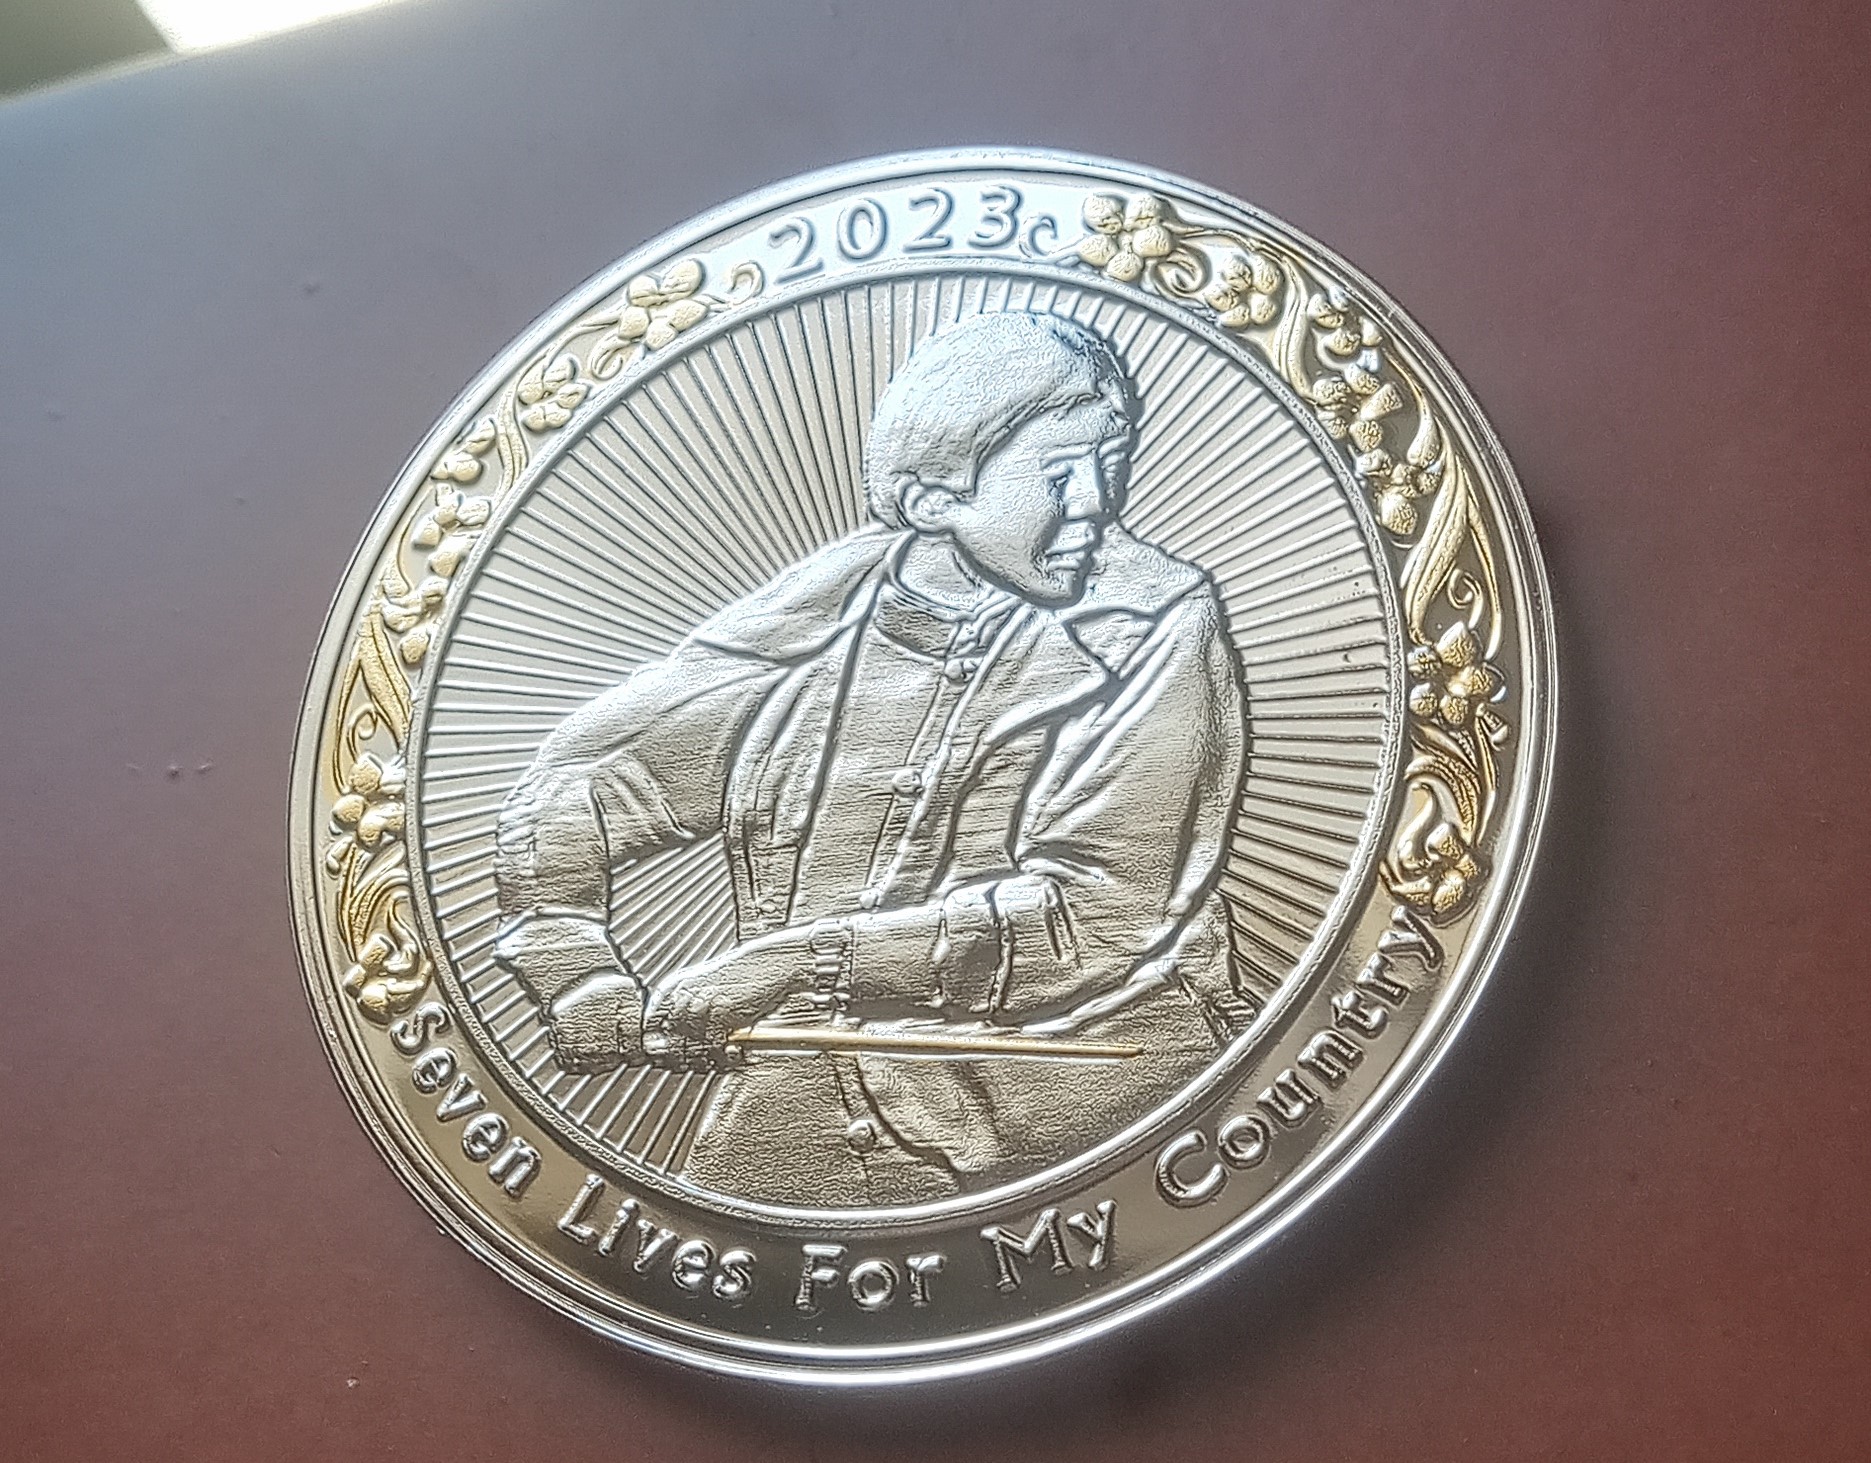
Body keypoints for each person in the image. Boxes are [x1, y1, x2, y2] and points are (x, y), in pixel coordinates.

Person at [492, 310, 1252, 1207]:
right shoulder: (816, 612)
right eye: (1059, 474)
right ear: (932, 499)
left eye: (1109, 461)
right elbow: (579, 783)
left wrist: (798, 965)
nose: (1096, 502)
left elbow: (1097, 913)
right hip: (799, 1105)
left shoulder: (1152, 619)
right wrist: (574, 968)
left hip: (1086, 1116)